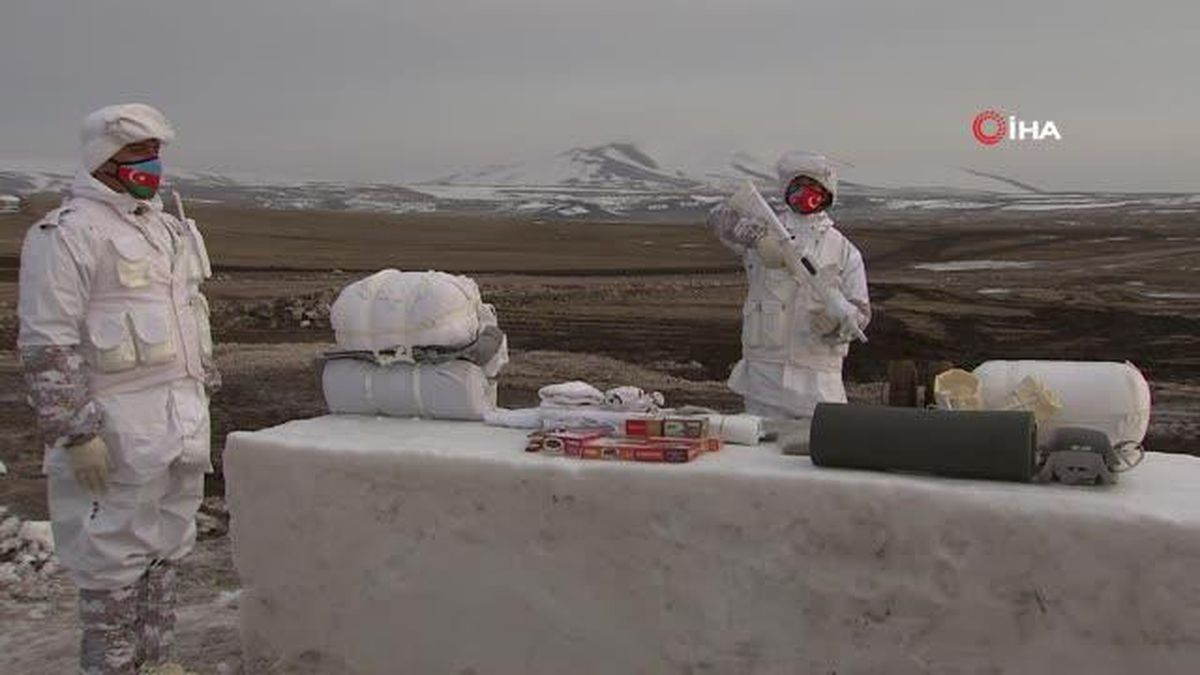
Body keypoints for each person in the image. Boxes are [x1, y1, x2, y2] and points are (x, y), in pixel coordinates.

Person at [17, 103, 217, 674]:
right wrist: (76, 433)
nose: (151, 164)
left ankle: (156, 663)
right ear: (102, 159)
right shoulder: (69, 235)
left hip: (179, 424)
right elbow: (46, 343)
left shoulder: (163, 227)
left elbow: (186, 317)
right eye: (136, 154)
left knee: (166, 550)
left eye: (155, 152)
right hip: (115, 431)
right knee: (110, 564)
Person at [709, 151, 870, 437]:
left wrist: (838, 325)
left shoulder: (845, 251)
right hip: (764, 381)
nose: (804, 195)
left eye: (813, 188)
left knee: (818, 460)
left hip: (819, 385)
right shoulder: (763, 229)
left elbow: (860, 313)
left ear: (828, 192)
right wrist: (745, 233)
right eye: (798, 187)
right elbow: (717, 218)